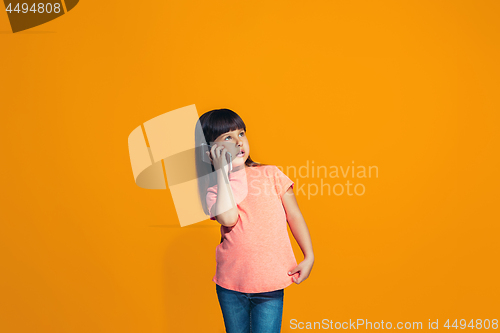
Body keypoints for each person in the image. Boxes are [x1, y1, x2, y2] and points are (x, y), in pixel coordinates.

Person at [195, 108, 314, 333]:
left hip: (270, 283)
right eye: (228, 138)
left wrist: (309, 255)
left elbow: (294, 215)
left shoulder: (271, 174)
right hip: (231, 285)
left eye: (241, 133)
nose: (239, 142)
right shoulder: (215, 189)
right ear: (210, 152)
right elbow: (229, 219)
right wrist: (222, 173)